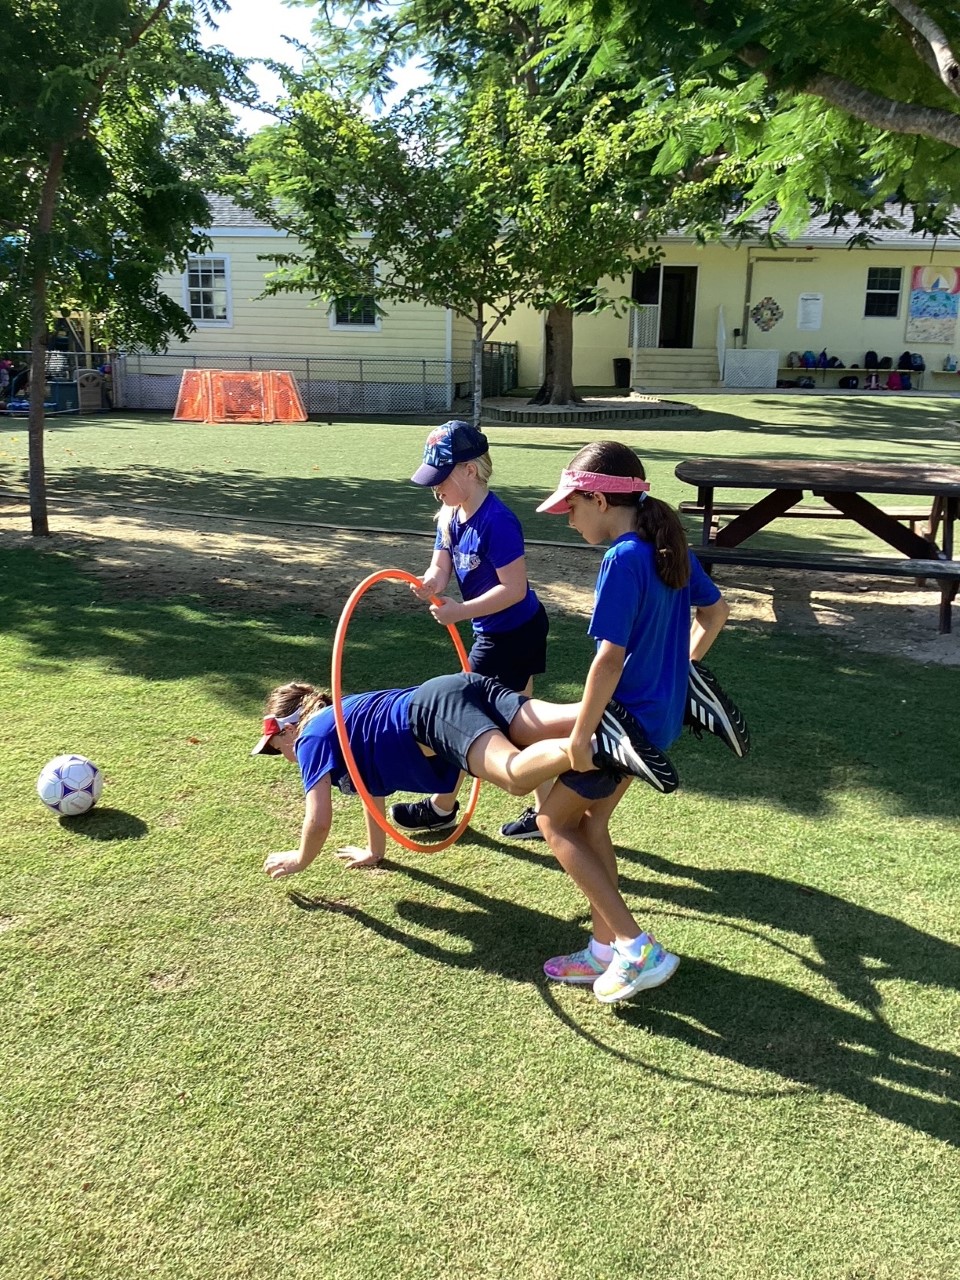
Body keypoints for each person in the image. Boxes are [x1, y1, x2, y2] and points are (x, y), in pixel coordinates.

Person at [532, 439, 748, 1004]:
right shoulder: (665, 545)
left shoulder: (623, 558)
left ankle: (635, 946)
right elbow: (716, 612)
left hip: (620, 729)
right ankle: (605, 951)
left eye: (572, 507)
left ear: (601, 502)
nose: (569, 519)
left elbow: (607, 657)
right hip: (651, 722)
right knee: (591, 824)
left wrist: (581, 735)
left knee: (555, 824)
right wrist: (680, 669)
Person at [252, 671, 667, 877]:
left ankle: (598, 747)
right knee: (559, 719)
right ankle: (653, 700)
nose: (282, 756)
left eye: (276, 748)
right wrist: (375, 851)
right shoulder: (343, 719)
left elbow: (318, 817)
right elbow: (369, 790)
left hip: (433, 714)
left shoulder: (309, 738)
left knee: (514, 776)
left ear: (287, 729)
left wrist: (301, 858)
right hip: (456, 687)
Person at [395, 420, 551, 842]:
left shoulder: (498, 521)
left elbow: (514, 590)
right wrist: (431, 583)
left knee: (460, 714)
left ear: (470, 470)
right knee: (522, 723)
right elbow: (440, 564)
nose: (435, 488)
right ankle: (547, 813)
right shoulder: (449, 514)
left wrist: (461, 612)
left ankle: (442, 808)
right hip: (496, 629)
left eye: (441, 478)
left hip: (514, 631)